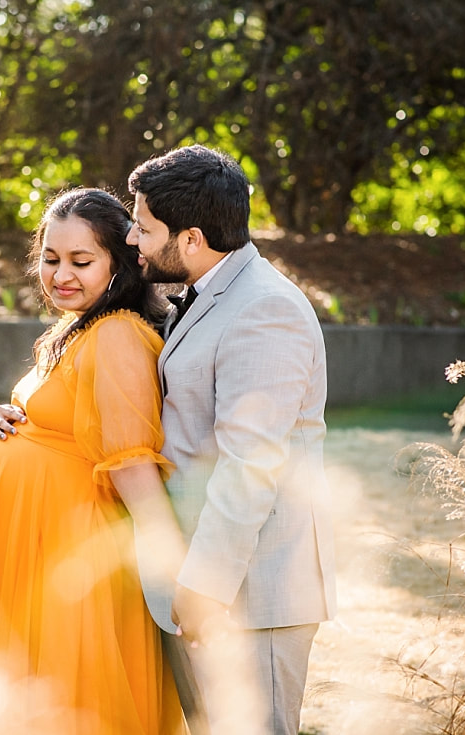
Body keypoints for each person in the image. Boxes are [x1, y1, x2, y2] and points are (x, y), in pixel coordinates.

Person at [0, 188, 187, 735]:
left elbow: (131, 463)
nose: (61, 274)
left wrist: (176, 570)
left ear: (120, 263)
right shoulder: (76, 331)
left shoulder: (117, 332)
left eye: (81, 261)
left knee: (62, 699)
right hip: (26, 546)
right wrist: (13, 418)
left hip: (66, 549)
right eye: (51, 258)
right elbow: (69, 420)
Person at [125, 144, 337, 735]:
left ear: (191, 237)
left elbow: (251, 465)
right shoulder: (212, 289)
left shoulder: (265, 310)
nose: (133, 241)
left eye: (143, 228)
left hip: (252, 593)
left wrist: (204, 585)